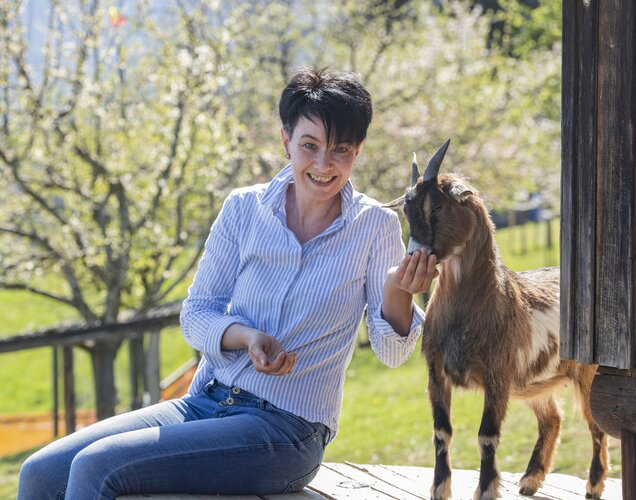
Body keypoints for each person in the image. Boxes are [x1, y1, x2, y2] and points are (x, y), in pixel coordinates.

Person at [17, 67, 437, 499]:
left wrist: (397, 292)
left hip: (288, 430)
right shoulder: (244, 208)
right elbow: (196, 314)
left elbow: (391, 353)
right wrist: (247, 337)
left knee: (97, 466)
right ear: (285, 141)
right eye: (309, 146)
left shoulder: (376, 227)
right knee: (39, 472)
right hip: (205, 403)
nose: (323, 165)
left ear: (358, 150)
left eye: (341, 150)